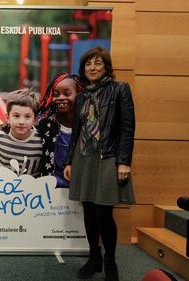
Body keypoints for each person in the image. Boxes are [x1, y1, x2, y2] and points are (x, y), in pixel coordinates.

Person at [64, 47, 135, 281]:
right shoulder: (82, 97)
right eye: (88, 64)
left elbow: (127, 128)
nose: (92, 68)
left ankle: (110, 260)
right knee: (88, 212)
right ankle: (93, 257)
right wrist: (69, 161)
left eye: (98, 63)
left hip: (108, 157)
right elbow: (77, 131)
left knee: (104, 212)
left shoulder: (119, 90)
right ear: (83, 69)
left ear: (106, 67)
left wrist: (124, 161)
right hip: (83, 158)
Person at [0, 89, 43, 177]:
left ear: (34, 119)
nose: (21, 122)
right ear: (7, 117)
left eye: (27, 116)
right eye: (16, 116)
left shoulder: (41, 141)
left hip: (30, 190)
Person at [37, 73, 80, 187]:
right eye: (56, 94)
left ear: (79, 94)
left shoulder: (86, 126)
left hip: (80, 191)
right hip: (51, 189)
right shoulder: (45, 124)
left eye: (67, 94)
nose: (61, 97)